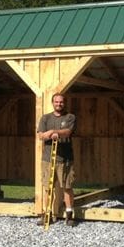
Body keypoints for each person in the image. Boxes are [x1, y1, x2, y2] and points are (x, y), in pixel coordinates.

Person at [37, 93, 76, 226]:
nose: (59, 104)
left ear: (64, 103)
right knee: (48, 188)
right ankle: (46, 214)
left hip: (65, 159)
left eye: (61, 102)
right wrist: (47, 135)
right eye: (56, 102)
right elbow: (40, 135)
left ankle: (69, 215)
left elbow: (67, 132)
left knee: (67, 187)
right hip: (48, 159)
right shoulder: (45, 118)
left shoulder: (70, 117)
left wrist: (54, 132)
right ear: (52, 103)